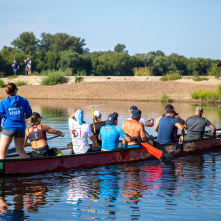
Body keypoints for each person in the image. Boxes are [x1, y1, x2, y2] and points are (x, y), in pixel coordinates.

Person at [0, 83, 32, 159]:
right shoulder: (23, 100)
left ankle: (1, 169)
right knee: (21, 151)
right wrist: (22, 117)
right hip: (20, 128)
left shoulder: (4, 102)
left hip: (8, 127)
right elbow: (29, 113)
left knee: (2, 151)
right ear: (15, 91)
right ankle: (27, 169)